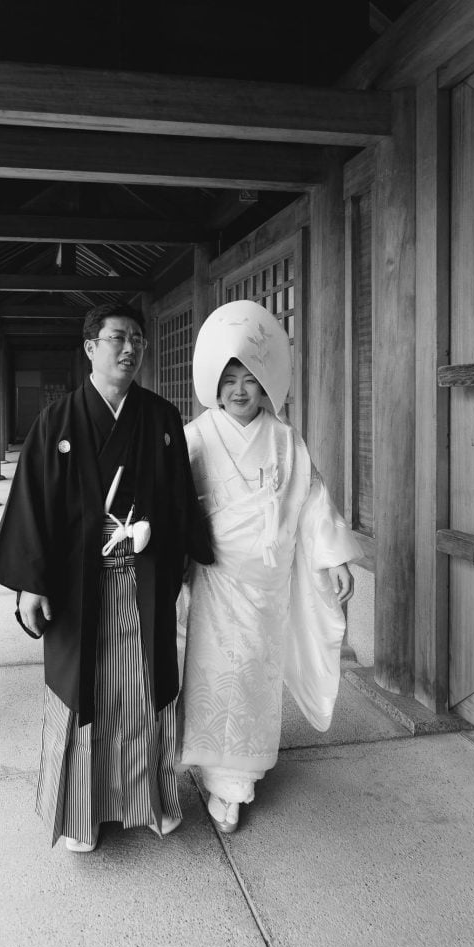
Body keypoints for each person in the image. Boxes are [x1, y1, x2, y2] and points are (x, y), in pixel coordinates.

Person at [0, 302, 213, 852]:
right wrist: (31, 583)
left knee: (140, 691)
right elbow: (32, 507)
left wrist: (181, 552)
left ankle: (149, 802)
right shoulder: (57, 422)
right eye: (116, 338)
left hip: (143, 583)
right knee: (84, 695)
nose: (129, 348)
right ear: (90, 347)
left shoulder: (160, 419)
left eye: (137, 339)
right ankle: (81, 815)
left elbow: (180, 497)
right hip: (76, 588)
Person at [177, 299, 363, 834]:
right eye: (230, 377)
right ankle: (222, 781)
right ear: (215, 382)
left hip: (268, 583)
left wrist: (333, 558)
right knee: (217, 675)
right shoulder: (196, 437)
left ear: (266, 384)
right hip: (216, 579)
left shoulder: (286, 439)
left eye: (251, 378)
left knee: (256, 678)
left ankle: (243, 774)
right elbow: (169, 499)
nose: (240, 389)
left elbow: (311, 499)